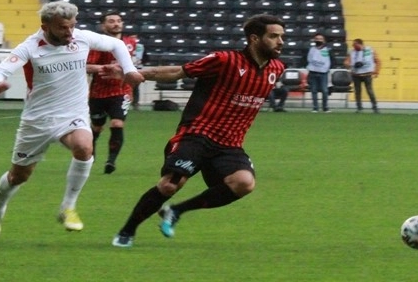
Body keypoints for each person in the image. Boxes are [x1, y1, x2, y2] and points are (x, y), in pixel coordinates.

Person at [111, 14, 286, 248]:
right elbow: (179, 72)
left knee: (244, 183)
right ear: (255, 39)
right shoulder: (225, 60)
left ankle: (176, 211)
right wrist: (138, 74)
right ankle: (127, 231)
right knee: (170, 185)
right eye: (274, 36)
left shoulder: (277, 68)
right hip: (197, 135)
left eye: (282, 36)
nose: (281, 41)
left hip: (230, 144)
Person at [0, 1, 144, 242]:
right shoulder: (31, 47)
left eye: (71, 26)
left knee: (85, 147)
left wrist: (129, 70)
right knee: (19, 176)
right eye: (62, 28)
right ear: (45, 26)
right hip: (38, 119)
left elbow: (117, 44)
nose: (69, 33)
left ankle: (67, 207)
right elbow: (0, 71)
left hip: (73, 112)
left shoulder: (81, 37)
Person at [86, 12, 139, 174]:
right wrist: (103, 68)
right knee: (96, 127)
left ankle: (111, 161)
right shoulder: (98, 44)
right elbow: (86, 66)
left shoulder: (131, 43)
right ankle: (91, 151)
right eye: (111, 21)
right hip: (98, 92)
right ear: (103, 26)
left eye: (118, 21)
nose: (116, 24)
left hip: (121, 90)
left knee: (117, 123)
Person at [344, 38, 381, 113]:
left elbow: (378, 61)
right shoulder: (351, 52)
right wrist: (348, 64)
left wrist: (376, 71)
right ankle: (359, 107)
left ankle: (375, 106)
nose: (353, 46)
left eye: (355, 44)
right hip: (356, 74)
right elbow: (346, 62)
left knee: (370, 91)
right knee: (357, 91)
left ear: (360, 44)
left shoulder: (370, 50)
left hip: (367, 74)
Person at [305, 33, 332, 113]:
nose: (318, 40)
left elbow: (331, 60)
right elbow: (308, 59)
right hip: (313, 72)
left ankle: (325, 107)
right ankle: (315, 107)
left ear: (324, 41)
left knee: (325, 90)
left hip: (323, 73)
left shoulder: (328, 50)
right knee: (314, 90)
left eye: (320, 39)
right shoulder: (311, 49)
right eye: (317, 39)